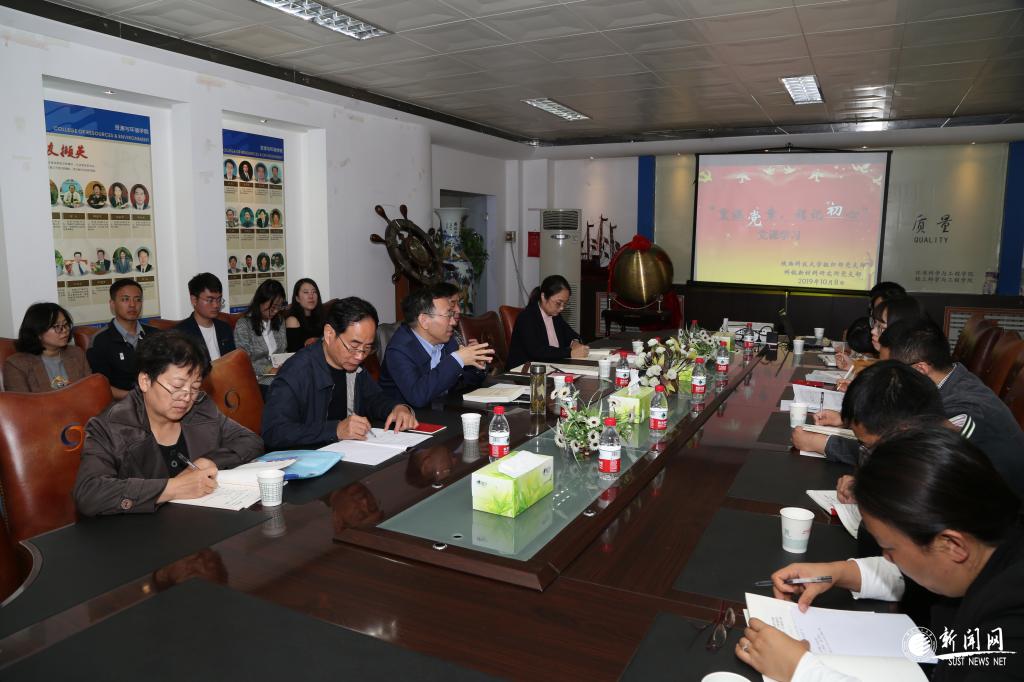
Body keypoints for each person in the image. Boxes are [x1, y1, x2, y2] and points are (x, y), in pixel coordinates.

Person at [739, 425, 1024, 682]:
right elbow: (923, 569)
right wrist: (840, 573)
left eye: (889, 548)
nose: (887, 558)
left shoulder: (1012, 624)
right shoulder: (989, 542)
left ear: (953, 545)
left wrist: (800, 671)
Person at [73, 331, 264, 516]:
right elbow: (89, 493)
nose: (186, 397)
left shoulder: (200, 408)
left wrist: (209, 460)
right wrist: (172, 488)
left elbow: (250, 440)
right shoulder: (109, 426)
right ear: (145, 381)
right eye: (177, 386)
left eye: (194, 387)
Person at [884, 318, 1024, 498]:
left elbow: (922, 467)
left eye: (893, 373)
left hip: (999, 504)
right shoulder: (954, 378)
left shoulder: (961, 410)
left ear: (920, 369)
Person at [261, 297, 417, 450]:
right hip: (309, 458)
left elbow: (374, 399)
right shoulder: (296, 372)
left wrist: (397, 408)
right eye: (353, 346)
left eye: (367, 348)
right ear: (329, 334)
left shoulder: (354, 366)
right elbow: (273, 432)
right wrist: (335, 430)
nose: (359, 356)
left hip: (348, 452)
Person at [379, 286, 491, 409]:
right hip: (409, 417)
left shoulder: (447, 340)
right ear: (424, 320)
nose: (453, 322)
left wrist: (477, 365)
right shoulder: (399, 350)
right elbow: (417, 396)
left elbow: (465, 381)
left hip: (440, 411)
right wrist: (457, 359)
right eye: (448, 315)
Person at [87, 279, 157, 401]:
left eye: (137, 299)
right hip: (121, 404)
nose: (132, 305)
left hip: (156, 399)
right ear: (112, 304)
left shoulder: (156, 335)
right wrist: (137, 397)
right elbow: (101, 386)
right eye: (125, 299)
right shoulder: (100, 340)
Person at [3, 302, 90, 392]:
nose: (64, 330)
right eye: (57, 326)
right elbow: (21, 400)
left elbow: (90, 390)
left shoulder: (77, 353)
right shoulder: (17, 365)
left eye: (65, 324)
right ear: (38, 332)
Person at [507, 275, 589, 369]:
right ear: (543, 297)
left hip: (552, 366)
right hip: (525, 371)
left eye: (565, 304)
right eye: (558, 303)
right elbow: (537, 351)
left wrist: (575, 343)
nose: (562, 308)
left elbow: (571, 334)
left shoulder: (555, 316)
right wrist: (570, 353)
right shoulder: (527, 317)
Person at [233, 279, 287, 389]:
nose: (276, 311)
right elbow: (244, 362)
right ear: (260, 302)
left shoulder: (279, 321)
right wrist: (269, 369)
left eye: (279, 307)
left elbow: (283, 351)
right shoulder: (244, 324)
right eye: (273, 307)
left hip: (279, 376)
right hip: (258, 379)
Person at [176, 273, 235, 361]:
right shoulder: (180, 334)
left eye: (219, 299)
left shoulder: (225, 329)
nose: (216, 305)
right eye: (210, 300)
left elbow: (233, 362)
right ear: (194, 300)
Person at [284, 278, 322, 352]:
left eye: (314, 292)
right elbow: (294, 352)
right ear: (297, 298)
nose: (311, 296)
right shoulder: (292, 320)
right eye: (306, 292)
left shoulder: (322, 316)